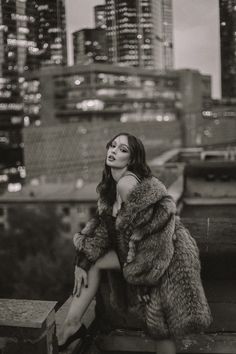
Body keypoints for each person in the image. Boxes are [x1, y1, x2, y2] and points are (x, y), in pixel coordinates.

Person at [58, 133, 212, 353]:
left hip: (166, 259)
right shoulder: (111, 188)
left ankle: (71, 327)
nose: (113, 151)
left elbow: (155, 235)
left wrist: (142, 278)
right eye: (112, 146)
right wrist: (82, 260)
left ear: (131, 160)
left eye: (122, 150)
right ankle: (71, 327)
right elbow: (105, 228)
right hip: (147, 256)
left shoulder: (127, 185)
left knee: (160, 328)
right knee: (95, 263)